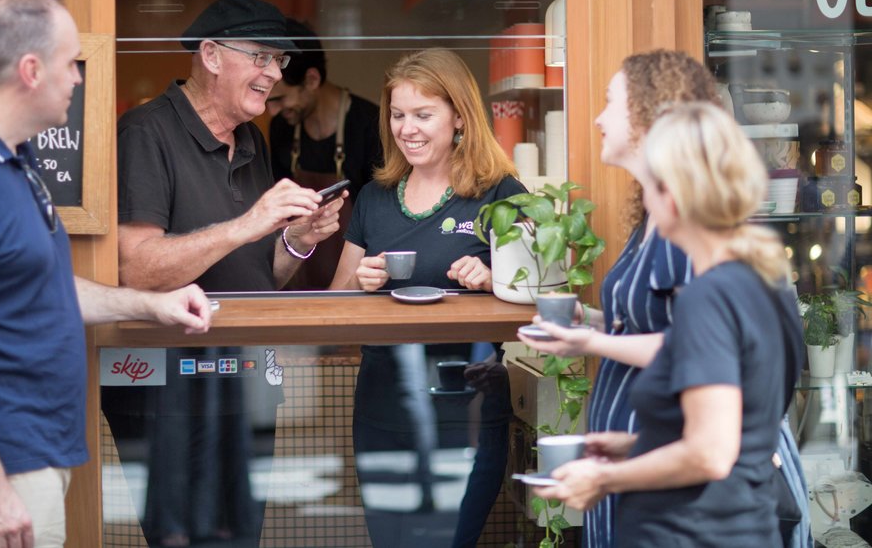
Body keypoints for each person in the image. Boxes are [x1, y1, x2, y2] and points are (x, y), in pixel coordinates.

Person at [0, 0, 213, 548]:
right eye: (70, 64)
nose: (79, 79)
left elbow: (42, 287)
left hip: (26, 452)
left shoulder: (11, 154)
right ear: (31, 69)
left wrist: (149, 303)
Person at [516, 50, 811, 548]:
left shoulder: (709, 291)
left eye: (652, 188)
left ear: (674, 192)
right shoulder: (757, 278)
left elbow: (712, 451)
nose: (645, 200)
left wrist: (607, 474)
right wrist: (629, 445)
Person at [115, 0, 344, 547]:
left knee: (239, 533)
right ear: (212, 56)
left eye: (280, 61)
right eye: (262, 57)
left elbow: (260, 272)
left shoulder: (251, 138)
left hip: (246, 379)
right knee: (181, 535)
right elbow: (136, 268)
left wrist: (298, 240)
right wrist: (250, 222)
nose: (273, 74)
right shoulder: (146, 133)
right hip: (168, 385)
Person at [330, 48, 525, 547]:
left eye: (423, 114)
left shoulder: (499, 193)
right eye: (397, 115)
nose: (407, 128)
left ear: (459, 116)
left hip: (467, 408)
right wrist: (361, 282)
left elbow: (542, 294)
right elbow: (333, 304)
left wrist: (495, 276)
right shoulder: (375, 197)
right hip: (382, 408)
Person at [266, 19, 382, 288]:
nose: (270, 111)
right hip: (294, 269)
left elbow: (379, 218)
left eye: (279, 99)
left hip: (357, 275)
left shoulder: (369, 124)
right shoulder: (281, 128)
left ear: (312, 79)